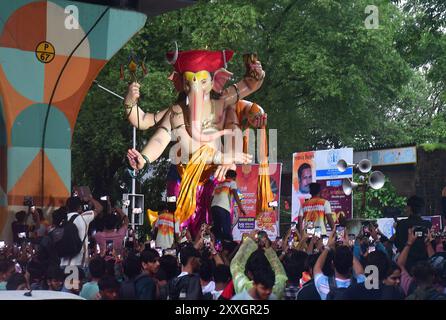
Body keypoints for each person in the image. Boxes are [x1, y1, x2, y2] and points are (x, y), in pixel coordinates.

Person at [230, 230, 287, 299]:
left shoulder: (244, 288)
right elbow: (280, 274)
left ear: (249, 273)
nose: (268, 292)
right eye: (263, 288)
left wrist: (249, 241)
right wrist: (268, 250)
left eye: (269, 288)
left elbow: (235, 266)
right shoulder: (275, 290)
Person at [313, 231, 365, 300]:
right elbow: (360, 271)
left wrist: (328, 247)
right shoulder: (361, 283)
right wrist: (347, 249)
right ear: (351, 266)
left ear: (332, 264)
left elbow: (317, 267)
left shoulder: (323, 283)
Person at [60, 195, 103, 268]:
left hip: (63, 262)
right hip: (79, 263)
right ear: (79, 207)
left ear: (67, 208)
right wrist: (90, 198)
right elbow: (99, 208)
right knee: (77, 279)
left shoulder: (62, 221)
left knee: (66, 279)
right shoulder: (83, 217)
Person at [395, 196, 432, 272]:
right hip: (426, 265)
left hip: (406, 265)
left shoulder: (402, 224)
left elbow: (397, 244)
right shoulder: (428, 225)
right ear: (422, 208)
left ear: (409, 208)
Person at [210, 170, 246, 241]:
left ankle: (217, 246)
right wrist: (241, 208)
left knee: (217, 229)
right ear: (233, 177)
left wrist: (211, 208)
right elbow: (235, 195)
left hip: (214, 207)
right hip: (223, 208)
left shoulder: (219, 184)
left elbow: (211, 198)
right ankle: (229, 247)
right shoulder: (232, 182)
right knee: (227, 229)